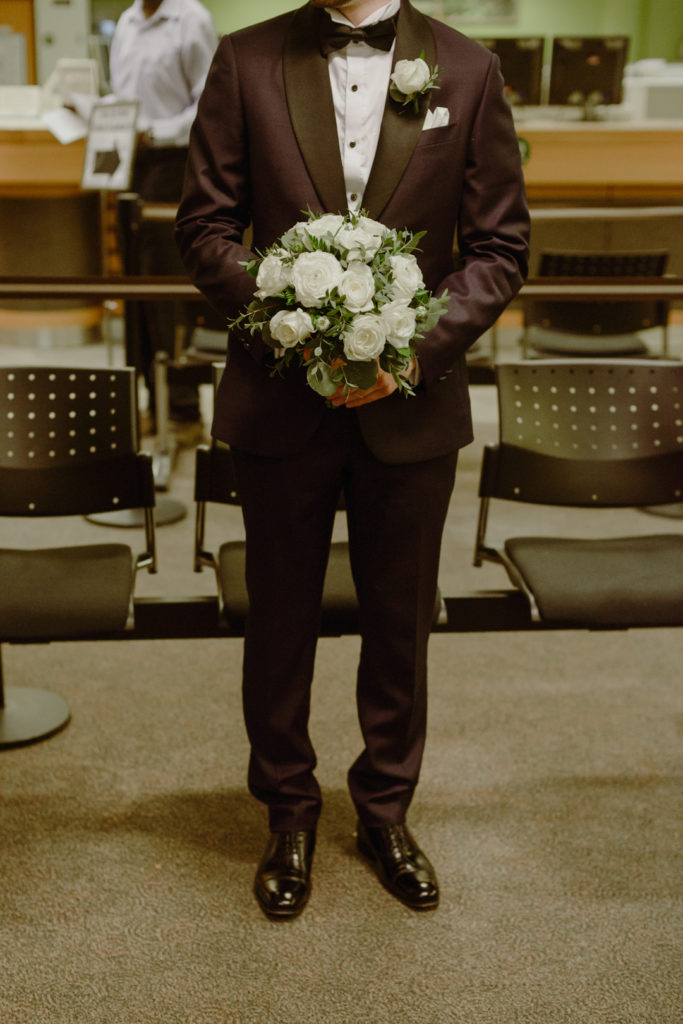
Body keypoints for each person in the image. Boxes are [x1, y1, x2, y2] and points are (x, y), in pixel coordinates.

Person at [175, 0, 529, 918]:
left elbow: (498, 248)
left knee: (401, 625)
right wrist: (290, 313)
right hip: (278, 395)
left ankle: (384, 810)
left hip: (410, 405)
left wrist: (412, 348)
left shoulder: (467, 66)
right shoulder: (244, 60)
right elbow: (204, 228)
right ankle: (287, 812)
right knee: (277, 620)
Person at [110, 0, 218, 440]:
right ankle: (147, 400)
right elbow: (123, 96)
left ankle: (184, 407)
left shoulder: (191, 18)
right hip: (129, 160)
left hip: (174, 164)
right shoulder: (127, 20)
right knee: (133, 287)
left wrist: (157, 130)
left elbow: (209, 100)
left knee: (168, 284)